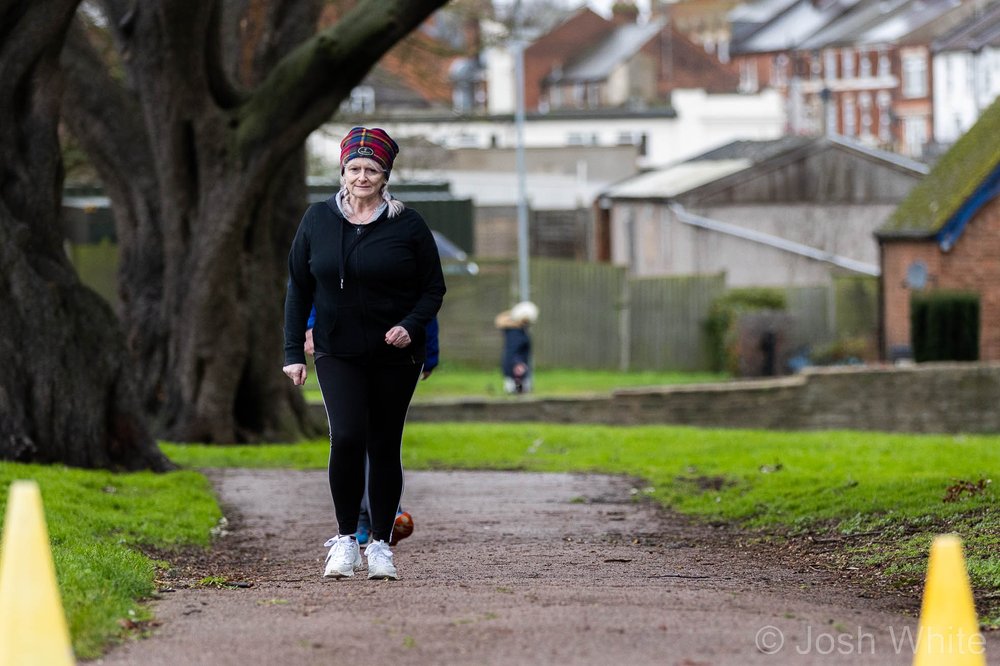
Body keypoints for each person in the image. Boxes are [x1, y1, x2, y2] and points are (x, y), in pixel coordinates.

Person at [283, 126, 446, 581]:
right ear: (342, 171)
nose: (361, 177)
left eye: (370, 169)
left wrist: (409, 327)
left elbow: (433, 289)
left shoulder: (407, 225)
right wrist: (294, 349)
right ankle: (344, 542)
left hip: (395, 355)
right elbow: (298, 286)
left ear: (385, 174)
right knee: (348, 437)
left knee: (384, 443)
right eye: (353, 168)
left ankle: (379, 545)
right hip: (337, 350)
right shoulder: (316, 220)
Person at [305, 308, 438, 547]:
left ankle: (380, 516)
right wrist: (311, 326)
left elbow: (423, 298)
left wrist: (429, 351)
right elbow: (315, 288)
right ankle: (364, 519)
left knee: (380, 437)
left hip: (391, 353)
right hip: (343, 348)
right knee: (352, 435)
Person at [495, 301, 538, 394]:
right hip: (516, 367)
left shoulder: (516, 331)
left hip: (515, 366)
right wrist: (517, 363)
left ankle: (516, 391)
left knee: (517, 387)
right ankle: (516, 392)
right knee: (517, 389)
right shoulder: (516, 333)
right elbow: (514, 350)